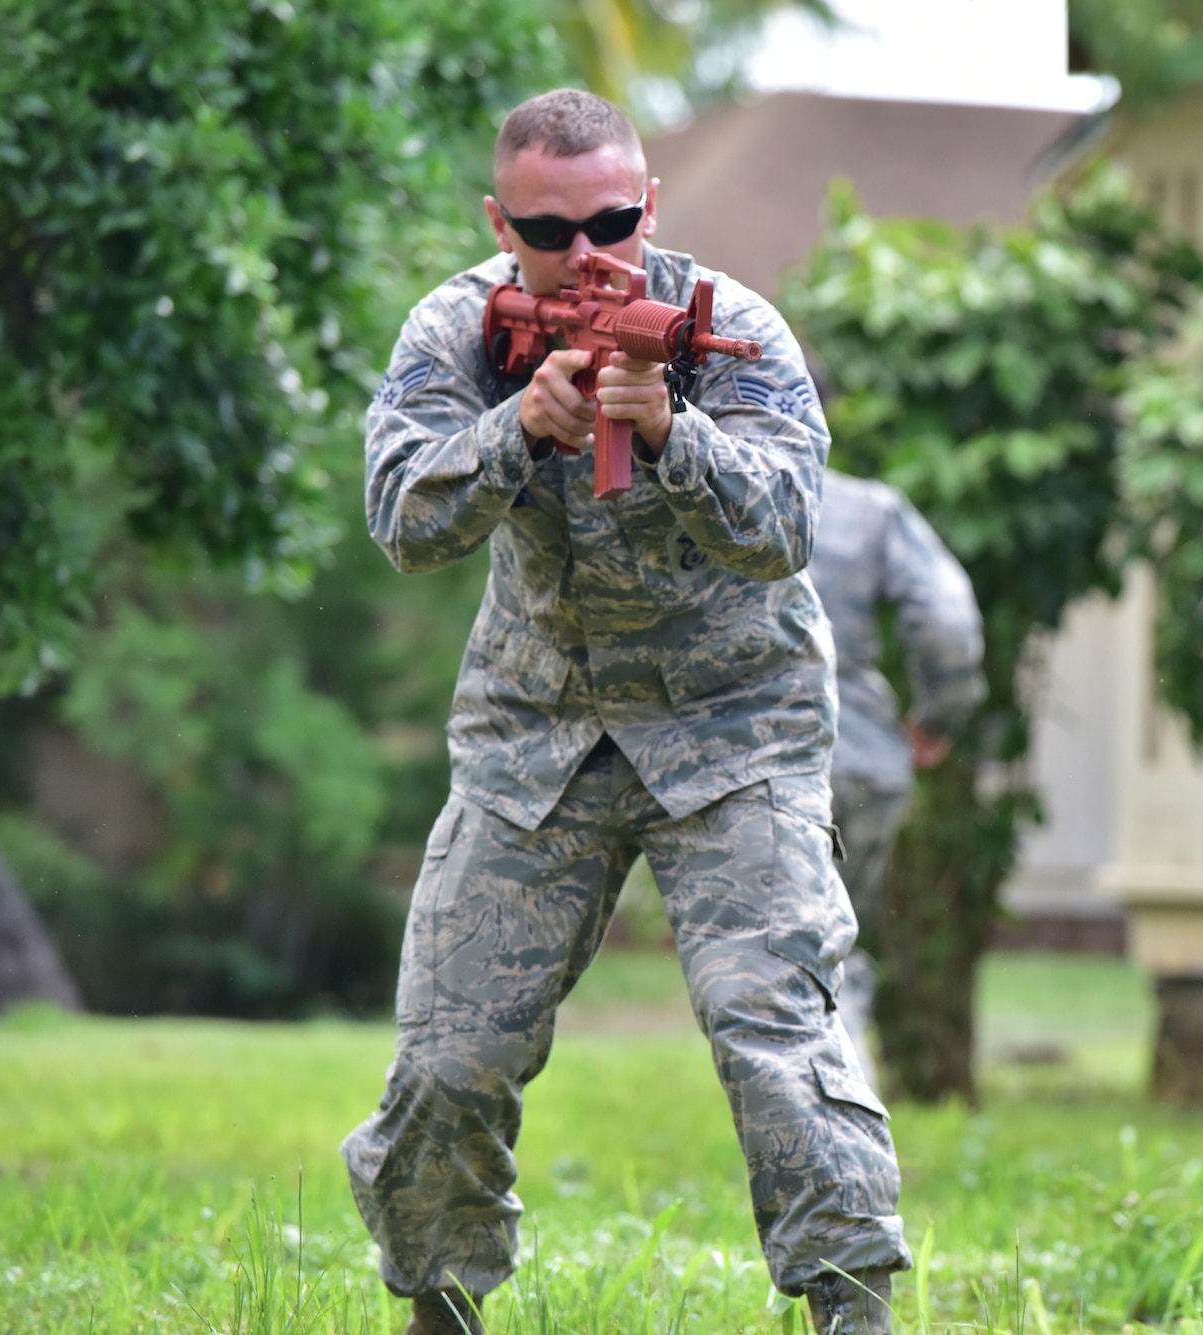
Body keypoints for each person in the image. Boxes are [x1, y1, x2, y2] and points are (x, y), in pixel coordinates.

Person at [340, 89, 908, 1335]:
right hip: (535, 735)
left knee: (777, 1038)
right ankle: (440, 1304)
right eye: (551, 231)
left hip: (733, 733)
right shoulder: (459, 327)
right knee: (448, 1056)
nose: (588, 253)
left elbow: (785, 535)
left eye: (612, 218)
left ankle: (850, 1308)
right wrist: (513, 429)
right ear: (501, 221)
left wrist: (672, 434)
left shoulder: (727, 331)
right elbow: (402, 521)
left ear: (649, 201)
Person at [805, 470, 984, 1091]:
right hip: (862, 757)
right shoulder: (868, 511)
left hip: (751, 754)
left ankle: (833, 1132)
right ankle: (847, 1113)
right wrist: (939, 715)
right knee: (832, 945)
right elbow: (948, 621)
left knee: (784, 965)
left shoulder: (691, 479)